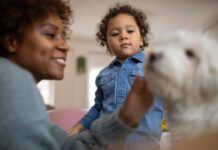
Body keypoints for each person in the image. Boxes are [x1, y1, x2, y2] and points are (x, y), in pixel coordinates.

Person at [0, 0, 154, 150]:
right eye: (50, 34)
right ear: (11, 42)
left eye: (64, 36)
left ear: (141, 39)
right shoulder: (11, 78)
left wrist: (124, 119)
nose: (65, 45)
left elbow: (70, 146)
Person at [69, 3, 163, 150]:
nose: (123, 36)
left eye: (130, 31)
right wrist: (77, 128)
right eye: (114, 33)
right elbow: (96, 109)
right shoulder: (103, 75)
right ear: (107, 45)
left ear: (141, 39)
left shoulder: (154, 68)